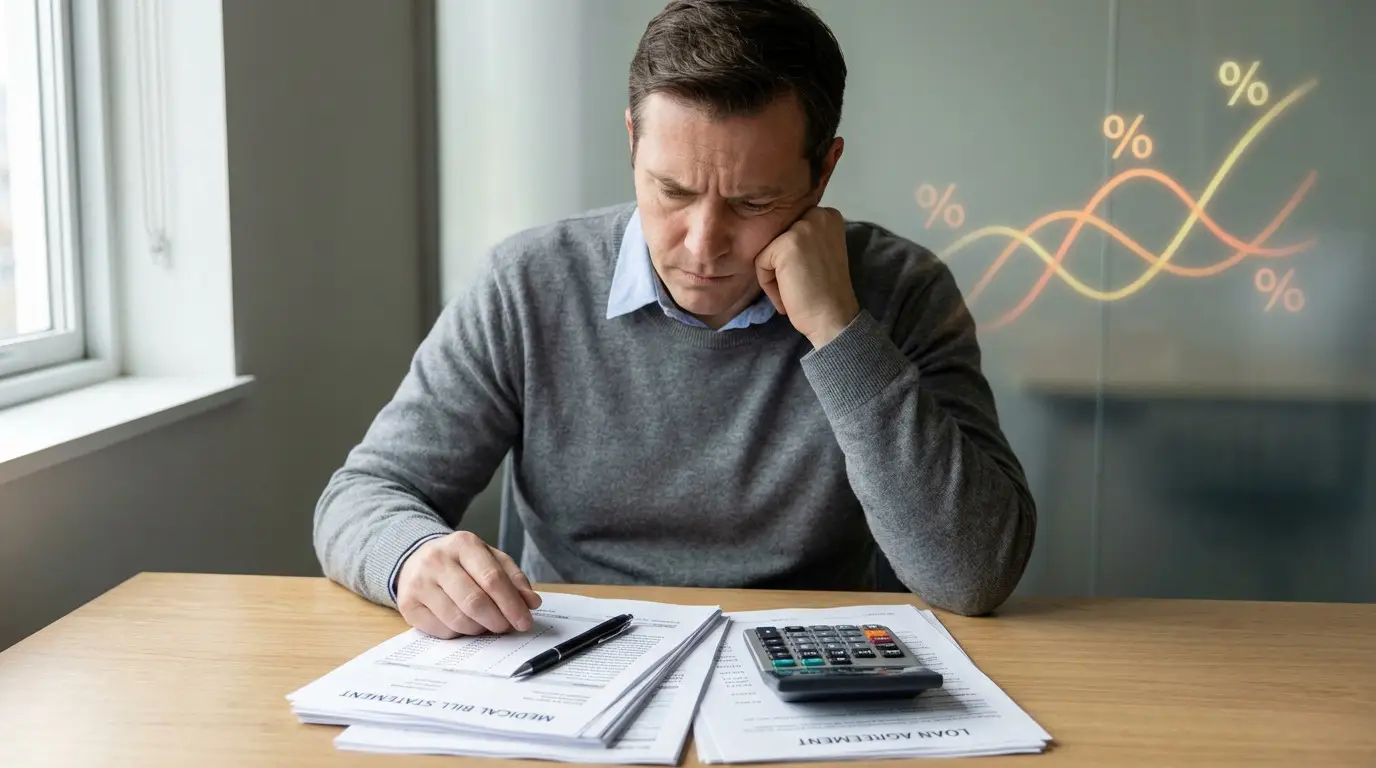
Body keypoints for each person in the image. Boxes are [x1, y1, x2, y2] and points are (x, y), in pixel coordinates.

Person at [314, 0, 1037, 638]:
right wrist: (411, 556)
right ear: (633, 141)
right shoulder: (528, 283)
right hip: (574, 669)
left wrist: (841, 332)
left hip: (806, 674)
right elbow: (362, 496)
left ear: (823, 172)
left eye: (753, 202)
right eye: (673, 190)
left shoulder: (901, 291)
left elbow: (972, 573)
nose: (702, 245)